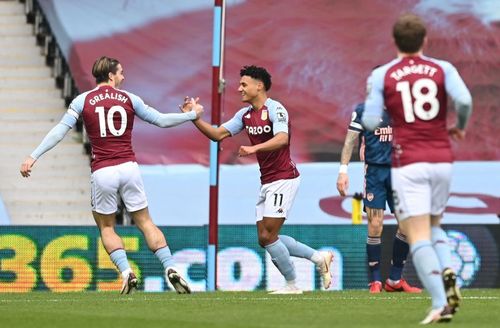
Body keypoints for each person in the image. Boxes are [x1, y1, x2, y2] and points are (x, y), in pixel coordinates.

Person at [20, 56, 202, 295]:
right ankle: (170, 267)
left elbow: (60, 131)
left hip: (103, 170)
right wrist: (192, 115)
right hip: (129, 167)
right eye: (121, 72)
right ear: (110, 75)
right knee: (146, 222)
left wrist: (33, 156)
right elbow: (160, 120)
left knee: (106, 227)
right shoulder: (129, 98)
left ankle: (127, 273)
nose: (123, 77)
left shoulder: (82, 100)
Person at [181, 65, 333, 294]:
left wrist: (255, 150)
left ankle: (293, 284)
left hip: (284, 178)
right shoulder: (244, 115)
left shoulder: (275, 109)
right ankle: (318, 258)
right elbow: (217, 134)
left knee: (269, 236)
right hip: (267, 181)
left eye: (244, 84)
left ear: (259, 85)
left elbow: (282, 138)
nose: (239, 88)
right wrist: (193, 118)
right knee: (265, 238)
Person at [362, 14, 472, 324]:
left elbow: (370, 120)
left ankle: (439, 300)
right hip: (441, 158)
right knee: (435, 224)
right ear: (425, 41)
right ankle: (448, 268)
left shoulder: (384, 74)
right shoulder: (443, 68)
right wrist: (459, 127)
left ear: (395, 42)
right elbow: (464, 101)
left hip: (408, 161)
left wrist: (387, 115)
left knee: (417, 231)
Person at [337, 102, 421, 294]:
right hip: (375, 173)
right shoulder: (363, 110)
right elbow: (350, 140)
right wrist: (343, 171)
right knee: (375, 224)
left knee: (408, 225)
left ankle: (394, 279)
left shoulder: (403, 106)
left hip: (399, 173)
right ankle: (375, 281)